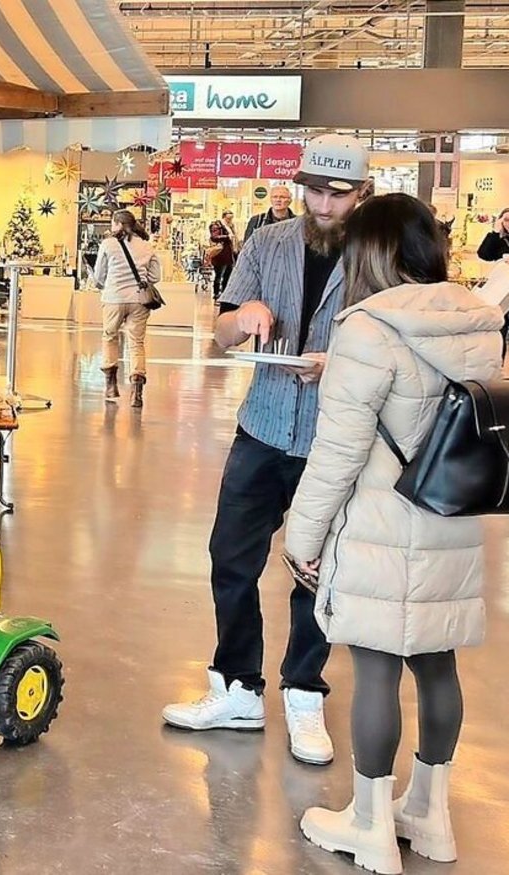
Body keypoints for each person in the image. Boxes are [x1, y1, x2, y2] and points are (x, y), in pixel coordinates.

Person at [284, 194, 499, 873]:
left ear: (371, 253)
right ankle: (430, 815)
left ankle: (370, 824)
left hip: (380, 521)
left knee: (375, 665)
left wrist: (301, 535)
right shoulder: (480, 321)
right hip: (451, 514)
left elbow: (339, 451)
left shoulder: (367, 330)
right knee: (438, 663)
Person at [162, 134, 373, 767]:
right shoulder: (267, 242)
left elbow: (396, 348)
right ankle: (237, 687)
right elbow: (225, 334)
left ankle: (304, 693)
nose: (324, 205)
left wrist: (339, 364)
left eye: (338, 194)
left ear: (362, 193)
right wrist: (243, 312)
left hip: (336, 440)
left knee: (316, 568)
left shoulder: (379, 256)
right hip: (261, 427)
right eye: (314, 190)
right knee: (231, 556)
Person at [91, 209, 161, 408]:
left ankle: (111, 385)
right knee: (136, 342)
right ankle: (136, 392)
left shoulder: (108, 244)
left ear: (119, 224)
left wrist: (102, 283)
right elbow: (155, 277)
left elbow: (99, 276)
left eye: (113, 223)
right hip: (139, 300)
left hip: (113, 298)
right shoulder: (147, 246)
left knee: (110, 336)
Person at [208, 210, 239, 300]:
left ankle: (225, 293)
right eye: (229, 218)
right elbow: (214, 237)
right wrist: (227, 237)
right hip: (220, 255)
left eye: (231, 218)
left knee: (228, 275)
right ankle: (216, 293)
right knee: (219, 275)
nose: (230, 220)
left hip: (228, 255)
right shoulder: (217, 225)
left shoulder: (230, 226)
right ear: (224, 217)